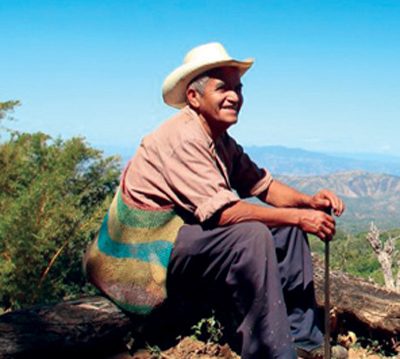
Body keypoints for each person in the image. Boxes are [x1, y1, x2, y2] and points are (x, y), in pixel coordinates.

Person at [83, 42, 348, 359]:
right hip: (143, 252)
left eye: (238, 88)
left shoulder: (219, 140)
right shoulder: (182, 138)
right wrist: (298, 216)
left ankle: (303, 339)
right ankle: (273, 352)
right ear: (194, 97)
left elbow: (261, 185)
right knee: (252, 235)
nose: (235, 97)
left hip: (179, 239)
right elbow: (224, 214)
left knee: (288, 229)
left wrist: (307, 203)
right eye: (223, 88)